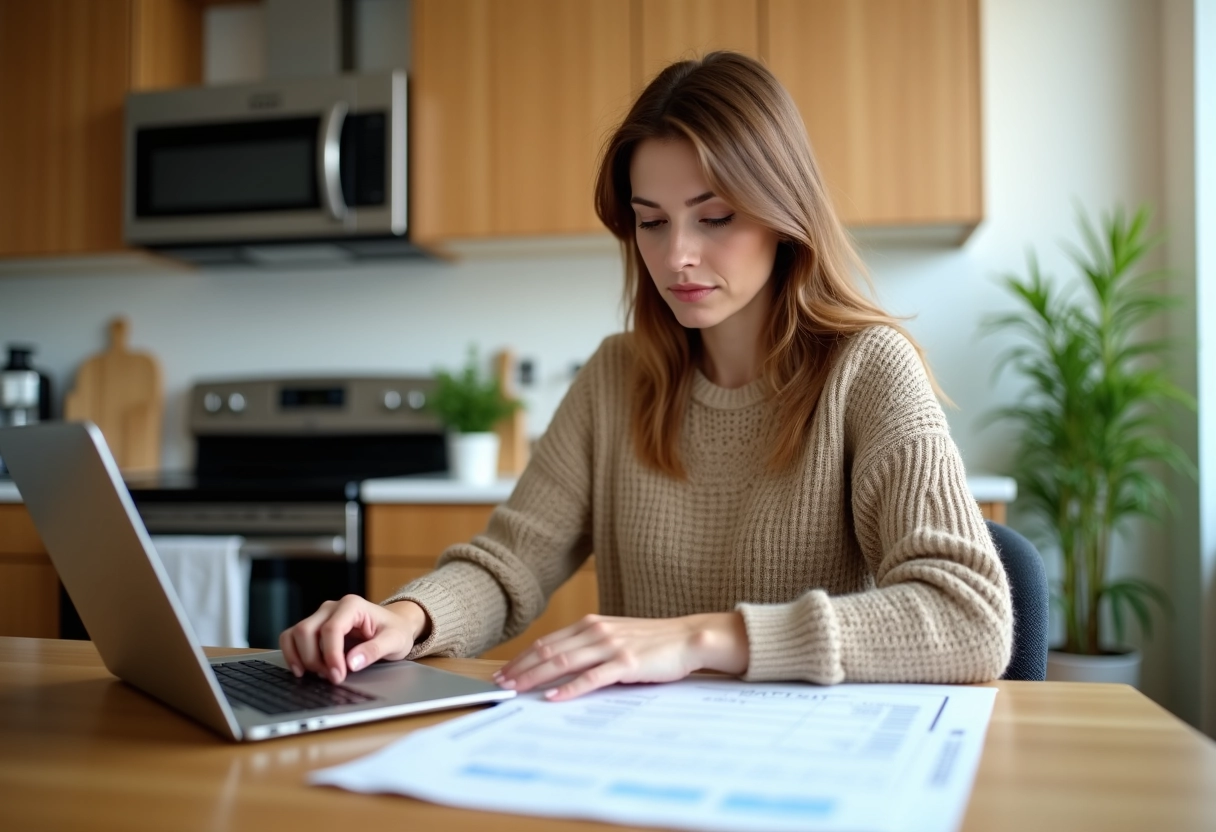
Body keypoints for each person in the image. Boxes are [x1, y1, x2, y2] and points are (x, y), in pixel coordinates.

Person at [280, 51, 1013, 701]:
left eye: (714, 216)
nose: (676, 256)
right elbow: (510, 566)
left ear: (784, 216)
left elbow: (971, 617)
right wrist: (405, 620)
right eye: (651, 222)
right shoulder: (615, 377)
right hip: (644, 758)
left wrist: (698, 639)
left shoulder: (866, 369)